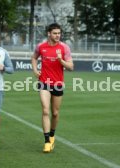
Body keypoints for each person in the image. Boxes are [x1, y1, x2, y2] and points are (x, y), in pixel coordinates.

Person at [31, 23, 74, 153]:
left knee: (55, 113)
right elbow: (34, 57)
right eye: (55, 33)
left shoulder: (64, 48)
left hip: (58, 84)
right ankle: (47, 142)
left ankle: (52, 135)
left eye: (59, 33)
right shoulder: (41, 46)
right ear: (49, 33)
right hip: (44, 82)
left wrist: (61, 61)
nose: (57, 35)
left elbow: (71, 67)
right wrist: (35, 69)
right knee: (45, 111)